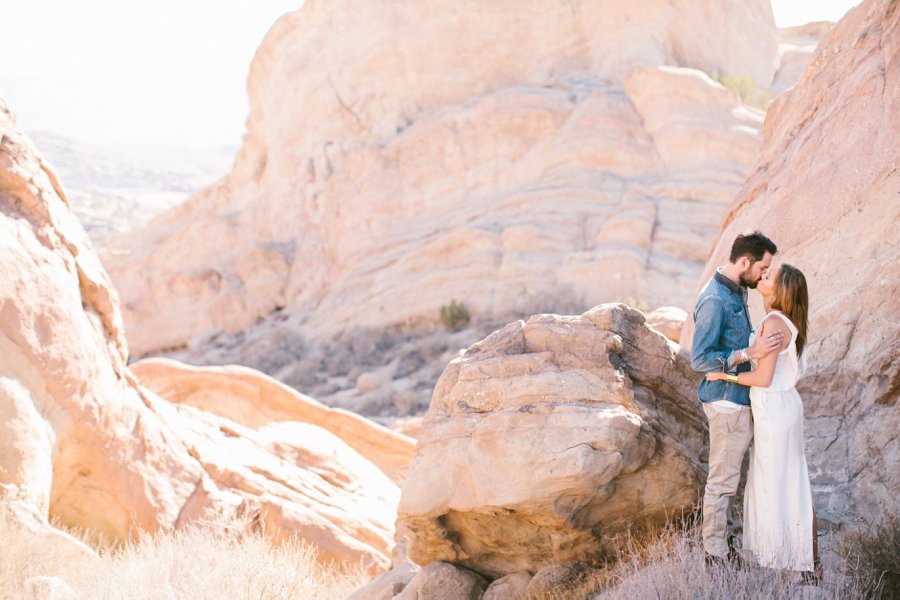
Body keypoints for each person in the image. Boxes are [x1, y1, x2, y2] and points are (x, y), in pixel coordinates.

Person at [706, 264, 821, 584]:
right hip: (784, 407)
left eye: (770, 277)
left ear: (781, 292)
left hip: (774, 410)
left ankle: (782, 562)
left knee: (774, 483)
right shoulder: (788, 321)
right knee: (793, 481)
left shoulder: (773, 322)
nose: (763, 276)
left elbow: (763, 377)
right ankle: (810, 564)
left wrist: (724, 374)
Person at [691, 230, 783, 567]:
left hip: (738, 397)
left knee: (732, 478)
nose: (764, 275)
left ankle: (728, 543)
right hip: (726, 402)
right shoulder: (715, 299)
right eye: (762, 268)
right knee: (722, 481)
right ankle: (715, 556)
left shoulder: (736, 288)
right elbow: (699, 359)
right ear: (744, 262)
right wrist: (748, 351)